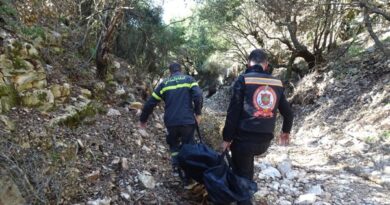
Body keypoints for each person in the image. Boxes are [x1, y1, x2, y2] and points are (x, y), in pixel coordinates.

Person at [221, 49, 294, 205]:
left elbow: (233, 113)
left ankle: (243, 199)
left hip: (243, 140)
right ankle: (245, 193)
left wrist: (226, 138)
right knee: (246, 168)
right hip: (264, 142)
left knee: (242, 174)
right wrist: (285, 131)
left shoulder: (243, 80)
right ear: (266, 65)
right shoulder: (277, 83)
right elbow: (288, 113)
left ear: (249, 63)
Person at [139, 62, 203, 175]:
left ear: (170, 71)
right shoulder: (189, 80)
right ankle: (189, 173)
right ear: (181, 70)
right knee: (188, 145)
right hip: (187, 121)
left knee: (173, 144)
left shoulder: (164, 84)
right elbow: (198, 95)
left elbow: (151, 102)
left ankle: (176, 168)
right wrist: (198, 113)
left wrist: (143, 119)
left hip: (171, 121)